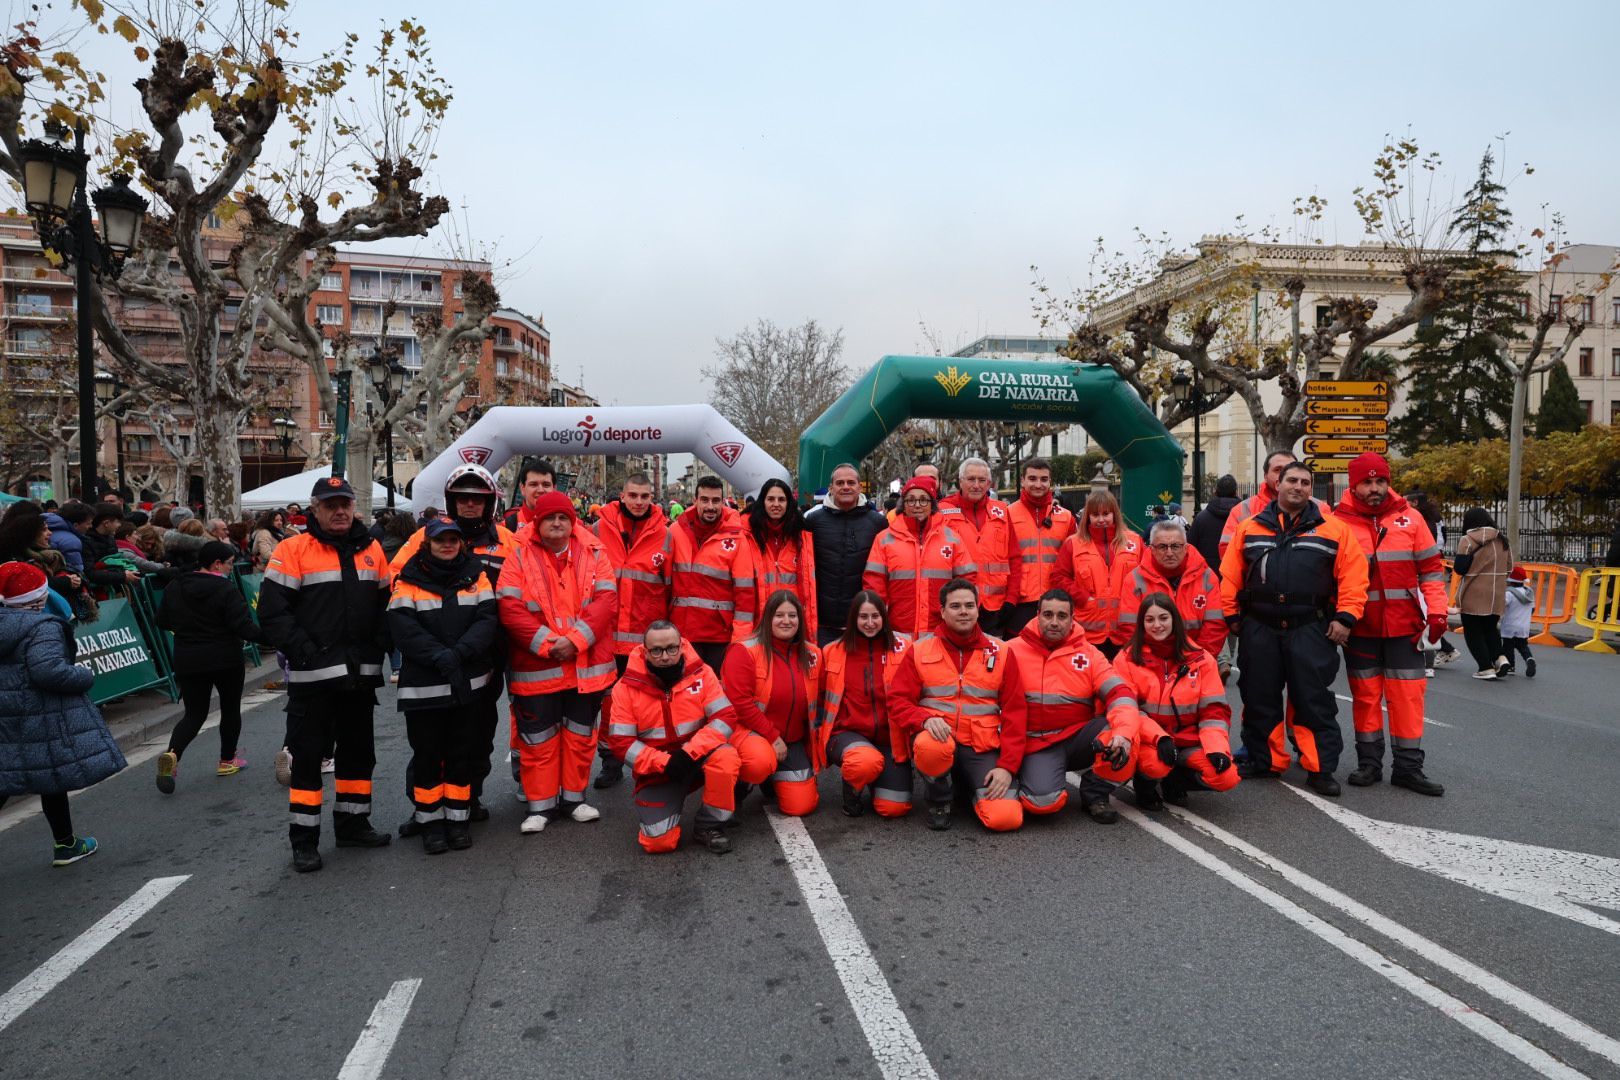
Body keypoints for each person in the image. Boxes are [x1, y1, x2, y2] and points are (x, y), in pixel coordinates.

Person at [258, 476, 394, 873]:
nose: (339, 511)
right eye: (330, 505)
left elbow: (387, 605)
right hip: (312, 680)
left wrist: (379, 646)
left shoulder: (371, 549)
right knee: (307, 761)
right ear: (314, 509)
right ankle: (304, 841)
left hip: (360, 677)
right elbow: (272, 612)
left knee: (358, 756)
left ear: (354, 507)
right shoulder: (292, 549)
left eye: (344, 504)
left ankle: (353, 825)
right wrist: (303, 651)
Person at [1220, 460, 1367, 796]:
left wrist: (1346, 617)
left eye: (1305, 482)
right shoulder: (1250, 527)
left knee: (1312, 699)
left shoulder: (1334, 529)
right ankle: (1266, 760)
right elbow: (1230, 574)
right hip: (1260, 627)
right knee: (1259, 696)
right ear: (1278, 484)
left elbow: (1354, 576)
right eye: (1292, 480)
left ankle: (1319, 766)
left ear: (1310, 489)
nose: (1298, 487)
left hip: (1310, 627)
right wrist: (1231, 616)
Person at [389, 464, 520, 821]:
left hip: (484, 656)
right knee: (428, 741)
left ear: (490, 503)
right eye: (462, 498)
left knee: (478, 733)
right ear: (451, 501)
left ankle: (468, 799)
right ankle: (425, 810)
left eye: (477, 499)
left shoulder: (509, 541)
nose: (469, 504)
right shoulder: (423, 537)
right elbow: (396, 581)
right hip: (432, 659)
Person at [497, 491, 618, 834]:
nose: (557, 523)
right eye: (550, 517)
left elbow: (606, 601)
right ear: (537, 522)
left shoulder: (594, 552)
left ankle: (574, 800)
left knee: (580, 737)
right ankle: (541, 806)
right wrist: (551, 645)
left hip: (584, 666)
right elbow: (509, 607)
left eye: (563, 517)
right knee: (538, 741)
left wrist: (575, 641)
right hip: (539, 667)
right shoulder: (519, 555)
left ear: (572, 522)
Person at [1332, 453, 1447, 795]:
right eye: (1367, 482)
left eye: (1380, 481)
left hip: (1404, 626)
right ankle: (1369, 764)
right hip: (1360, 627)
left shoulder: (1411, 519)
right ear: (1354, 485)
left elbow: (1431, 570)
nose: (1375, 488)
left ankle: (1408, 769)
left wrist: (1437, 612)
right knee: (1365, 697)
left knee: (1408, 698)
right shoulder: (1337, 522)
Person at [0, 561, 125, 866]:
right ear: (39, 598)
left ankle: (66, 843)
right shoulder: (41, 627)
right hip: (37, 713)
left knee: (13, 775)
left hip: (6, 712)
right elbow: (48, 670)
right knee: (51, 775)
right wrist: (83, 675)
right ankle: (66, 844)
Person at [388, 518, 500, 854]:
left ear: (461, 543)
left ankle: (458, 821)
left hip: (466, 685)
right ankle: (431, 824)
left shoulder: (477, 576)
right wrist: (440, 656)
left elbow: (487, 620)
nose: (447, 545)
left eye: (453, 540)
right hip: (424, 687)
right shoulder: (407, 580)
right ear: (428, 544)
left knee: (460, 756)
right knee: (427, 757)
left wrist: (460, 653)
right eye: (440, 540)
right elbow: (402, 628)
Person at [1001, 588, 1158, 823]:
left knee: (1129, 732)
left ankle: (1095, 792)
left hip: (1077, 739)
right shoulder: (1010, 650)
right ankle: (1028, 773)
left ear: (1073, 618)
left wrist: (1123, 735)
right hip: (1035, 744)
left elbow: (1120, 694)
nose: (1054, 622)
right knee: (1043, 803)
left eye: (1062, 616)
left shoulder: (1090, 655)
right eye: (1048, 615)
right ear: (1037, 615)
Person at [887, 578, 1024, 832]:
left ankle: (966, 788)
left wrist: (1007, 767)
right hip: (938, 741)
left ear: (977, 610)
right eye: (956, 606)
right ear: (942, 611)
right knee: (930, 747)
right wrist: (923, 719)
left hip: (981, 746)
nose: (963, 611)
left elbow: (1016, 713)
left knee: (1005, 818)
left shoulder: (1002, 652)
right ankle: (939, 801)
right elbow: (897, 700)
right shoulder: (920, 650)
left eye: (969, 606)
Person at [604, 621, 744, 854]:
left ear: (681, 646)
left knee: (726, 759)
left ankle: (710, 826)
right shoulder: (625, 688)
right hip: (658, 770)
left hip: (697, 757)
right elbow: (621, 743)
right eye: (656, 651)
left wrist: (689, 753)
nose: (665, 657)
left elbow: (725, 717)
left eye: (671, 648)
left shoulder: (702, 673)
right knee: (658, 843)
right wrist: (665, 763)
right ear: (645, 652)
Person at [154, 540, 270, 791]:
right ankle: (227, 760)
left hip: (187, 657)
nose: (231, 568)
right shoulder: (225, 588)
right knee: (230, 708)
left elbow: (161, 620)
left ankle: (173, 755)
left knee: (194, 714)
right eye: (229, 564)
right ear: (216, 564)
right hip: (225, 657)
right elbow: (244, 627)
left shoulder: (175, 586)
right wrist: (275, 638)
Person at [1112, 593, 1239, 808]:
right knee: (1154, 765)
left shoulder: (1202, 659)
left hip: (1188, 740)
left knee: (1226, 777)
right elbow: (1127, 710)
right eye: (1150, 619)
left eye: (1163, 618)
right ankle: (1145, 784)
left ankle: (1174, 780)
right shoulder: (1126, 659)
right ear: (1141, 624)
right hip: (1152, 742)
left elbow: (1214, 712)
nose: (1157, 625)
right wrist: (1160, 737)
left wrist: (1217, 749)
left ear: (1175, 620)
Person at [591, 472, 672, 790]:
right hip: (606, 638)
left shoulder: (665, 535)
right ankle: (611, 762)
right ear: (622, 496)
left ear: (652, 498)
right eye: (633, 495)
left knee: (649, 706)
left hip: (646, 640)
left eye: (645, 496)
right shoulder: (598, 530)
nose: (639, 501)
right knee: (610, 705)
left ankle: (652, 763)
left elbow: (672, 588)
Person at [721, 590, 823, 816]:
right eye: (779, 615)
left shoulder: (813, 654)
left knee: (801, 806)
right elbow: (740, 703)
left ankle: (772, 779)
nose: (786, 621)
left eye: (792, 615)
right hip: (750, 734)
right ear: (767, 618)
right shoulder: (744, 650)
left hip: (791, 741)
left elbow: (821, 700)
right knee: (759, 762)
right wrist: (773, 737)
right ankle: (740, 785)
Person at [819, 591, 913, 818]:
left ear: (884, 617)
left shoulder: (905, 646)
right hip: (847, 734)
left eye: (875, 616)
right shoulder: (832, 651)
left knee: (893, 808)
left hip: (890, 739)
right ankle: (852, 789)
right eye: (863, 617)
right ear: (853, 619)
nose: (870, 623)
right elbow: (818, 695)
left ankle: (875, 777)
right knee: (864, 761)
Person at [862, 476, 975, 638]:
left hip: (941, 633)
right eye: (911, 500)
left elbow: (967, 582)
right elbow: (874, 584)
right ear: (903, 504)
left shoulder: (952, 539)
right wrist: (877, 621)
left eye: (923, 500)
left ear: (932, 504)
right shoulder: (884, 539)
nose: (917, 505)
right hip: (897, 632)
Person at [668, 475, 756, 674]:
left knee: (716, 690)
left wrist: (740, 642)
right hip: (681, 633)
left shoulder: (736, 537)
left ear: (722, 502)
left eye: (716, 501)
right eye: (705, 500)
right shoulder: (675, 531)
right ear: (695, 501)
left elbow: (745, 594)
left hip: (719, 638)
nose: (710, 506)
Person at [1114, 519, 1226, 658]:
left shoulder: (1207, 577)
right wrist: (1151, 661)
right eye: (1162, 547)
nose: (1169, 553)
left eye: (1175, 546)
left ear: (1185, 548)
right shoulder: (1134, 580)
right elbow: (1129, 628)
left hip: (1196, 658)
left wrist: (1196, 659)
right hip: (1150, 660)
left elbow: (1215, 626)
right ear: (1151, 549)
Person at [804, 463, 888, 648]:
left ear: (859, 487)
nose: (845, 487)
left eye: (851, 482)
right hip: (822, 623)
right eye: (840, 483)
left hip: (862, 623)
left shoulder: (878, 522)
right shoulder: (813, 521)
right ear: (831, 488)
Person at [1054, 489, 1142, 656]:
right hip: (1087, 632)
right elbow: (1058, 577)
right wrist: (1082, 597)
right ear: (1088, 516)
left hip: (1126, 631)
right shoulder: (1073, 543)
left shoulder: (1135, 542)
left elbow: (1148, 577)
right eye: (1095, 515)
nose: (1101, 519)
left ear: (1115, 514)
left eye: (1106, 514)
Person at [937, 457, 1013, 637]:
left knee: (993, 653)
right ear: (960, 481)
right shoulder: (942, 512)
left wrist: (1011, 600)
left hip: (995, 607)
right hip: (958, 604)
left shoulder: (1002, 511)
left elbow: (1015, 559)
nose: (976, 485)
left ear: (989, 484)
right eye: (971, 479)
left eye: (982, 480)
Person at [1003, 458, 1076, 635]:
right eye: (1032, 478)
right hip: (1019, 601)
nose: (1038, 484)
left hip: (1055, 600)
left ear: (1050, 481)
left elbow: (1074, 563)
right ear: (1022, 481)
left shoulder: (1066, 518)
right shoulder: (1007, 514)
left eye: (1044, 479)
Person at [1218, 450, 1332, 560]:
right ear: (1265, 476)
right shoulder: (1243, 509)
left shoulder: (1321, 508)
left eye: (1289, 468)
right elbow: (1227, 552)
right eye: (1278, 470)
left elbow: (1333, 548)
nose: (1284, 474)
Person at [743, 478, 818, 641]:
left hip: (791, 621)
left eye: (781, 499)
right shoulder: (747, 534)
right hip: (759, 621)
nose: (776, 504)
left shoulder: (802, 535)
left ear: (788, 503)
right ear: (762, 502)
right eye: (770, 499)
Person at [1453, 507, 1511, 679]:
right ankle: (1500, 658)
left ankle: (1485, 667)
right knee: (1490, 629)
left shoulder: (1467, 539)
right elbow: (1510, 567)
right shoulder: (1502, 540)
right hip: (1497, 593)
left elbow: (1460, 568)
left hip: (1473, 592)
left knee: (1472, 631)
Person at [1188, 475, 1241, 572]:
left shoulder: (1201, 518)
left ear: (1215, 492)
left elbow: (1190, 548)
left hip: (1207, 573)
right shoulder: (1245, 517)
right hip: (1236, 573)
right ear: (1235, 492)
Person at [502, 457, 558, 533]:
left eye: (546, 485)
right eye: (533, 484)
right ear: (522, 488)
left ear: (554, 488)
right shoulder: (506, 526)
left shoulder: (569, 525)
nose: (540, 490)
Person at [1502, 566, 1536, 677]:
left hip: (1510, 624)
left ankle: (1511, 666)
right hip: (1524, 625)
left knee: (1508, 646)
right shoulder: (1529, 593)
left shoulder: (1509, 593)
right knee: (1522, 645)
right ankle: (1529, 658)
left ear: (1511, 581)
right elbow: (1533, 609)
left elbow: (1502, 605)